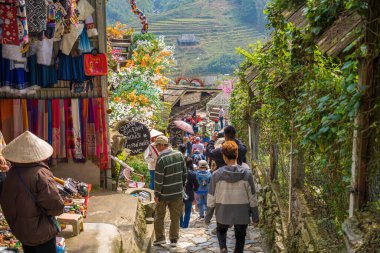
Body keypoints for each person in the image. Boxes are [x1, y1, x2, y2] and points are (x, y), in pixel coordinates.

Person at [0, 131, 64, 253]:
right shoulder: (40, 174)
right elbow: (56, 205)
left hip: (22, 233)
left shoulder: (10, 175)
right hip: (42, 235)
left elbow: (6, 205)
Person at [205, 141, 259, 253]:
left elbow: (211, 198)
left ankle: (223, 248)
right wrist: (255, 216)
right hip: (242, 213)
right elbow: (252, 197)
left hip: (223, 212)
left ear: (223, 156)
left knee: (221, 230)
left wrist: (208, 217)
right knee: (240, 236)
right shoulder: (247, 174)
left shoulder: (216, 175)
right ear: (237, 154)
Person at [153, 136, 187, 247]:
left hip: (163, 194)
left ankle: (160, 238)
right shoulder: (179, 155)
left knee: (159, 217)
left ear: (162, 145)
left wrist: (157, 194)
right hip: (177, 193)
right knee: (175, 217)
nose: (157, 148)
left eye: (157, 145)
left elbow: (159, 179)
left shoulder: (161, 159)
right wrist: (180, 187)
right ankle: (173, 240)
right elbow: (184, 173)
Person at [180, 158, 199, 228]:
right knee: (188, 211)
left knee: (180, 210)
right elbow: (197, 185)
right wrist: (194, 190)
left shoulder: (180, 172)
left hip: (180, 193)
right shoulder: (193, 174)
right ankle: (185, 226)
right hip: (189, 193)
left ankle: (181, 224)